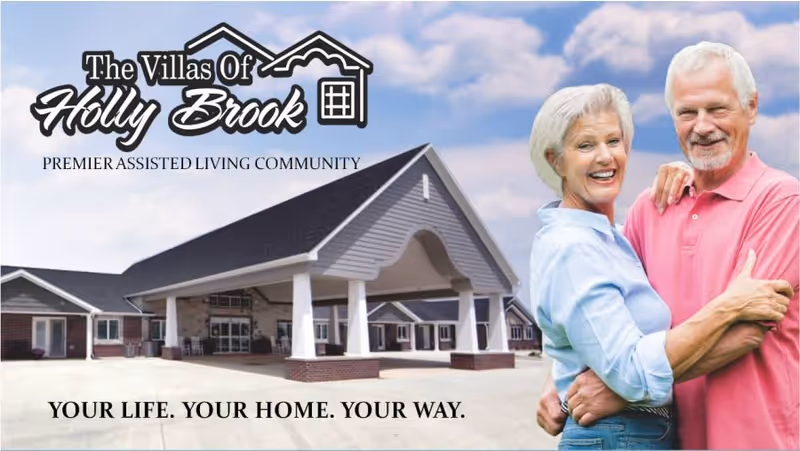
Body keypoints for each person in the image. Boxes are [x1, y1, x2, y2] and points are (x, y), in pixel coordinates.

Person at [536, 42, 800, 450]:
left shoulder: (781, 200)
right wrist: (562, 376)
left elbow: (746, 331)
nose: (702, 126)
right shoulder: (651, 207)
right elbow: (604, 312)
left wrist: (621, 391)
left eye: (718, 109)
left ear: (751, 107)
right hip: (673, 439)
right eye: (687, 113)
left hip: (754, 438)